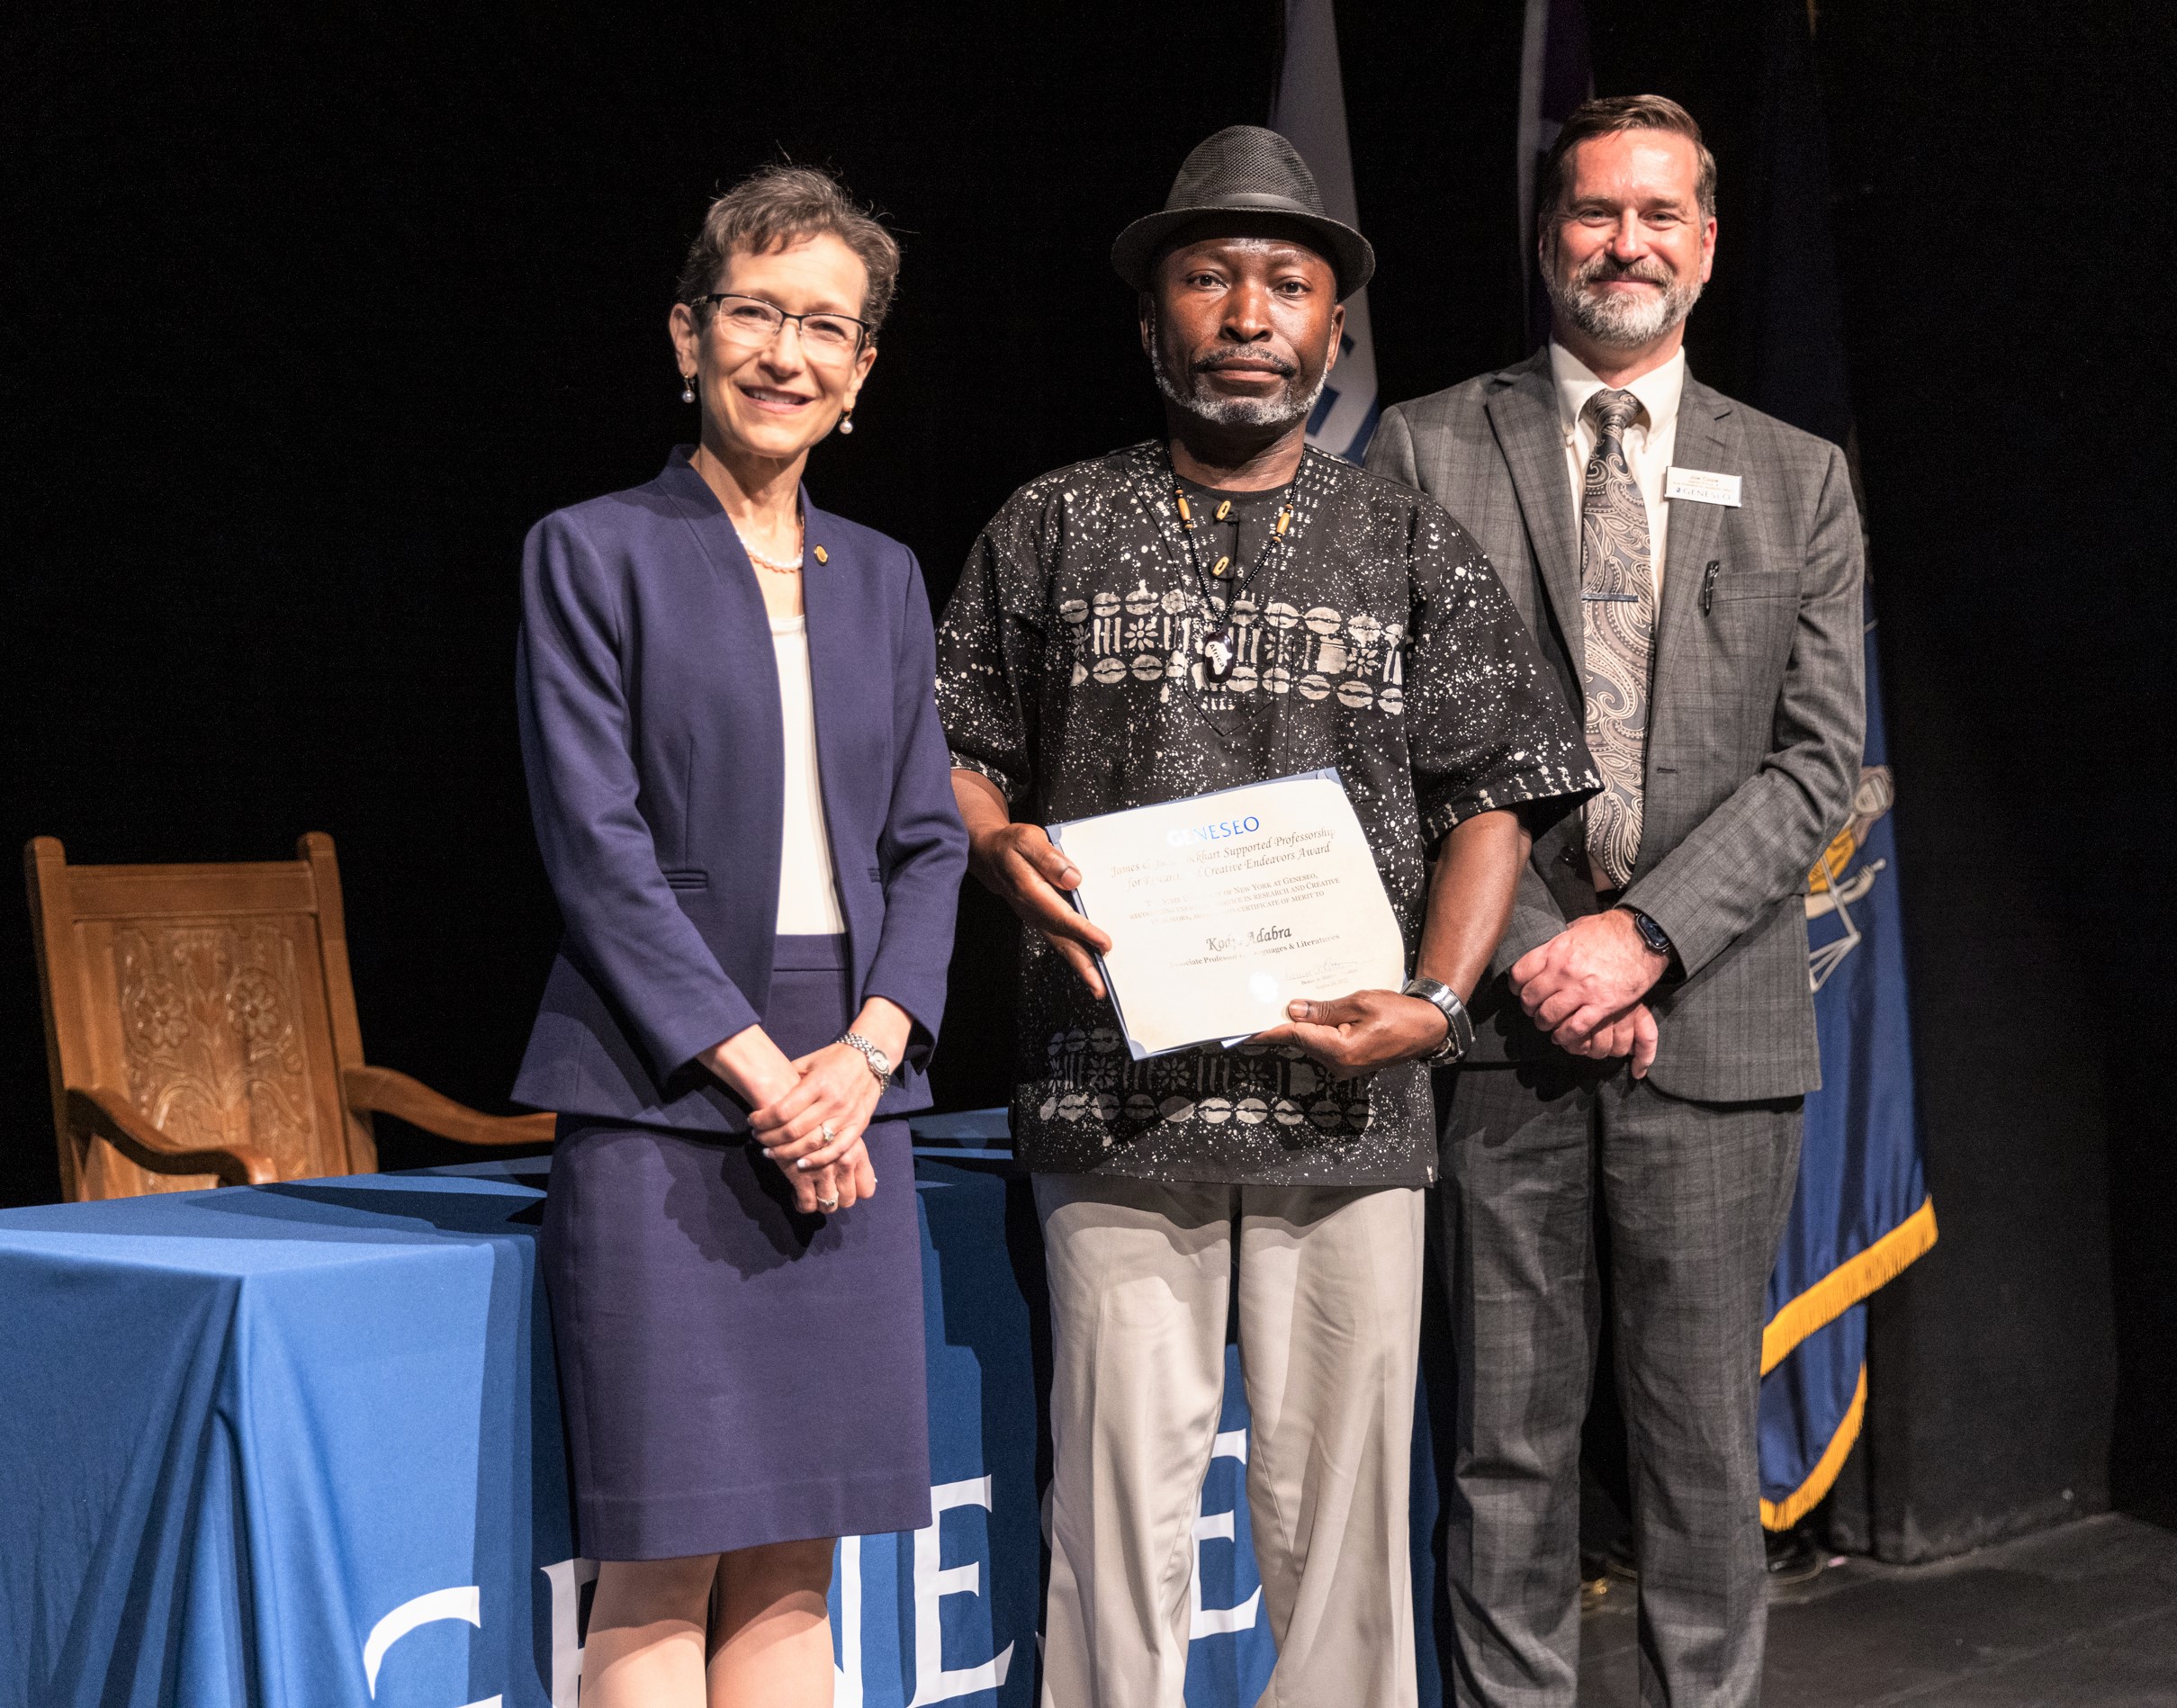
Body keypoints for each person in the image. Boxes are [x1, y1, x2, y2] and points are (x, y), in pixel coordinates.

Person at [938, 126, 1596, 1707]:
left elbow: (1491, 792)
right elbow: (956, 747)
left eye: (1285, 282)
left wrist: (1437, 1005)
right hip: (1116, 1097)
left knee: (1347, 1536)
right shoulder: (1048, 523)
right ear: (1151, 320)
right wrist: (989, 841)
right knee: (1113, 1523)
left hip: (1350, 1103)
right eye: (1209, 276)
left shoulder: (1410, 539)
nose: (1248, 312)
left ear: (1333, 330)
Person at [1366, 94, 1867, 1705]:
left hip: (1713, 1030)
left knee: (1700, 1449)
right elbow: (1390, 748)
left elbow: (1816, 764)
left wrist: (1641, 938)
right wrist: (1537, 954)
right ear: (1546, 238)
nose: (1625, 242)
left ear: (1707, 248)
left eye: (1661, 215)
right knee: (1506, 1446)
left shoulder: (1802, 479)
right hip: (1503, 1028)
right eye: (1595, 212)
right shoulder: (1429, 444)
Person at [512, 166, 967, 1708]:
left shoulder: (889, 576)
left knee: (795, 1568)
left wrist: (872, 1051)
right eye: (755, 313)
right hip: (672, 1089)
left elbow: (926, 843)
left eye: (823, 325)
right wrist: (775, 1076)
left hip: (856, 1089)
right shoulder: (591, 551)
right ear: (688, 335)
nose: (786, 352)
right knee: (655, 1578)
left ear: (861, 374)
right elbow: (600, 856)